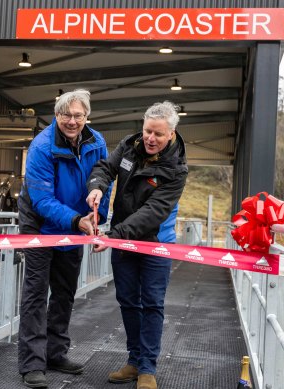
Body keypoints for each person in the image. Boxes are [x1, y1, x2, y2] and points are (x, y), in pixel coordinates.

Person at [86, 101, 188, 389]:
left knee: (152, 303)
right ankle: (133, 360)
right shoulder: (129, 146)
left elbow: (153, 213)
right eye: (147, 131)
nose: (150, 139)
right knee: (128, 300)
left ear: (171, 134)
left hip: (156, 242)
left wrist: (114, 235)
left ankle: (147, 368)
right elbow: (105, 167)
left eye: (157, 134)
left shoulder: (177, 169)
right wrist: (97, 186)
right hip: (122, 238)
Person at [17, 89, 110, 388]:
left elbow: (103, 184)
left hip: (76, 226)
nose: (72, 121)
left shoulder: (97, 142)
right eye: (66, 115)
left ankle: (55, 353)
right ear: (56, 115)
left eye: (78, 115)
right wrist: (76, 221)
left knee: (65, 291)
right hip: (40, 226)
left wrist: (97, 221)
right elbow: (42, 199)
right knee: (35, 294)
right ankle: (32, 363)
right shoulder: (42, 146)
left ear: (87, 117)